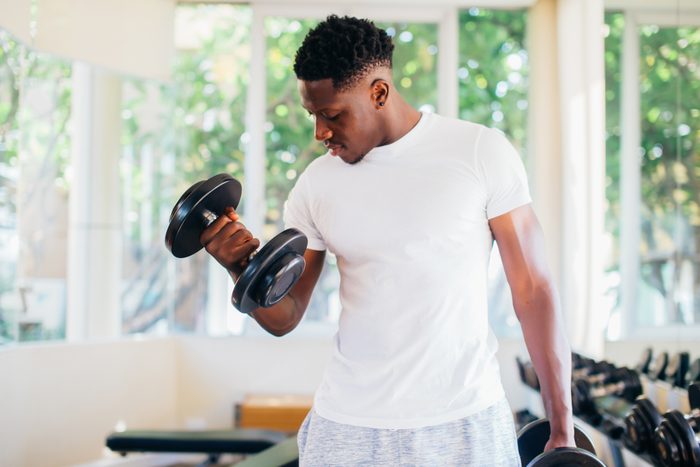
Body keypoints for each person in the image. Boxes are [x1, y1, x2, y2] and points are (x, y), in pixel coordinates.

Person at [201, 15, 575, 466]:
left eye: (332, 114)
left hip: (462, 421)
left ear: (379, 92)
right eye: (313, 115)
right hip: (347, 427)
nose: (320, 132)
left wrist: (562, 425)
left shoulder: (479, 153)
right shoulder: (316, 185)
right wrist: (238, 268)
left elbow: (533, 290)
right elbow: (286, 316)